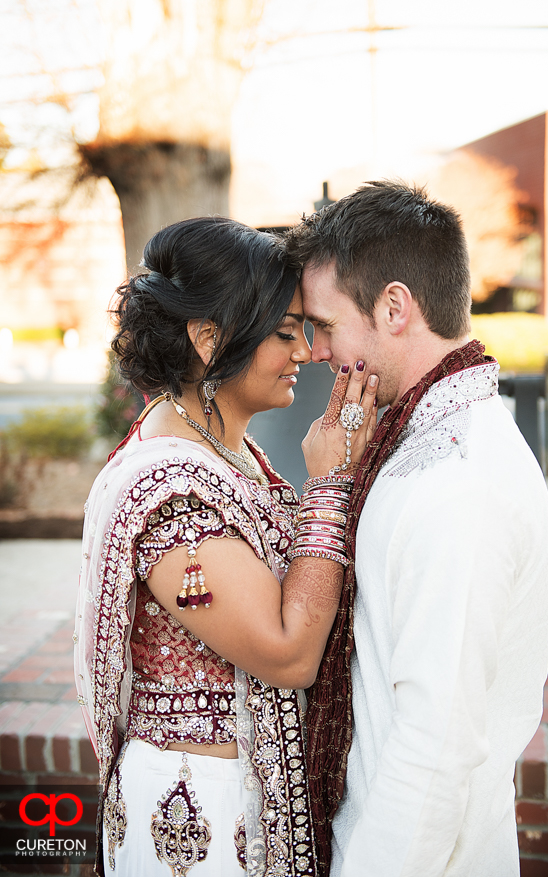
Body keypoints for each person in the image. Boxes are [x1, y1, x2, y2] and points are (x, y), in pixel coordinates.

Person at [73, 216, 379, 877]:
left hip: (236, 800)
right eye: (281, 332)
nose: (303, 351)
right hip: (198, 821)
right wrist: (328, 485)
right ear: (209, 339)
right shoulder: (171, 492)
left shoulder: (225, 449)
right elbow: (288, 652)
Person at [285, 181, 548, 877]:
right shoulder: (415, 442)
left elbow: (434, 748)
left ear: (394, 306)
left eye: (324, 323)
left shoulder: (459, 477)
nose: (315, 350)